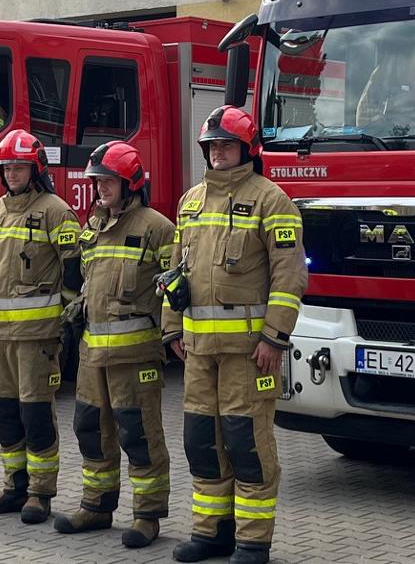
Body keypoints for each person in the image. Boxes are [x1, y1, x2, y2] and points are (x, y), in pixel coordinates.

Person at [163, 106, 306, 564]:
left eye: (226, 145)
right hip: (199, 350)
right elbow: (173, 275)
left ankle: (253, 542)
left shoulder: (271, 200)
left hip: (249, 352)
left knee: (248, 444)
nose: (218, 153)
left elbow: (289, 278)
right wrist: (171, 329)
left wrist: (274, 338)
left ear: (246, 149)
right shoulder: (190, 201)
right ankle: (211, 534)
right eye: (212, 146)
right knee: (202, 442)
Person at [53, 140, 175, 549]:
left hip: (135, 355)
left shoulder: (157, 227)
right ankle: (97, 504)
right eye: (98, 181)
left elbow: (174, 289)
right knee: (90, 429)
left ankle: (148, 514)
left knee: (139, 434)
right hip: (92, 355)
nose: (101, 188)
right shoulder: (94, 226)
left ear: (131, 182)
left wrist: (174, 335)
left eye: (109, 181)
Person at [0, 130, 82, 524]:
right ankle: (14, 485)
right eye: (6, 168)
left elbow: (74, 274)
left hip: (36, 338)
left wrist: (65, 328)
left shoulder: (56, 211)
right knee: (3, 414)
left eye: (18, 167)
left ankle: (40, 492)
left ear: (35, 169)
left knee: (35, 415)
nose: (12, 174)